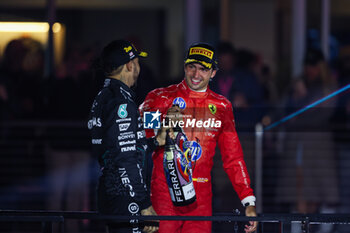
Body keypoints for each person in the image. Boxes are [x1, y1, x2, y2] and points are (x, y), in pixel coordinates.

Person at [140, 42, 258, 233]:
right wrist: (142, 202)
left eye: (203, 69)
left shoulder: (222, 107)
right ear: (184, 67)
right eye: (191, 67)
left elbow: (233, 158)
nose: (196, 75)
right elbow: (140, 144)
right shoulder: (159, 98)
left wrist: (249, 201)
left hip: (201, 200)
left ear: (213, 73)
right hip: (164, 196)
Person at [88, 39, 165, 233]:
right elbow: (125, 158)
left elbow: (120, 147)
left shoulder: (104, 95)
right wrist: (144, 203)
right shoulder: (120, 101)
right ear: (130, 65)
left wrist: (155, 141)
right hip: (125, 197)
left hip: (113, 192)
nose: (139, 68)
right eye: (137, 63)